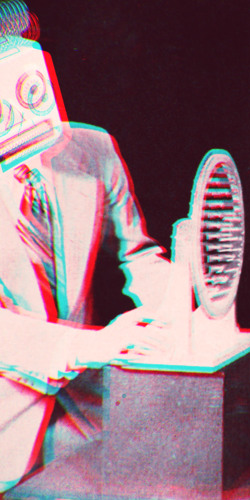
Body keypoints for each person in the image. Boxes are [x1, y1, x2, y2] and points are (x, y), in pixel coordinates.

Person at [0, 4, 171, 491]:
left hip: (89, 416)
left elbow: (139, 255)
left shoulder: (94, 150)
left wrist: (170, 313)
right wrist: (93, 345)